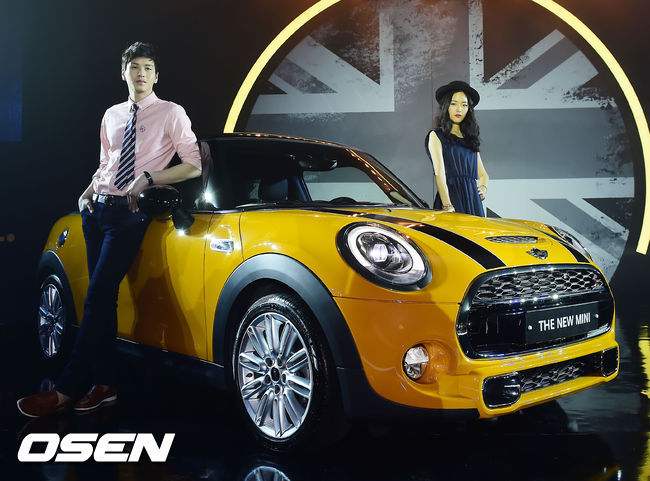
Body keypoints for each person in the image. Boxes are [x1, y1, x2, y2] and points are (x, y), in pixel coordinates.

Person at [17, 42, 202, 417]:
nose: (141, 74)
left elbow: (193, 165)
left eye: (147, 68)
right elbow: (107, 163)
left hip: (130, 215)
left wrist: (149, 178)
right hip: (96, 212)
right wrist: (87, 192)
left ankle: (65, 389)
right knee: (104, 302)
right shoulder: (112, 115)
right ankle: (105, 385)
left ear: (156, 76)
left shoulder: (171, 112)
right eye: (134, 67)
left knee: (97, 298)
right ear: (123, 73)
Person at [425, 80, 489, 216]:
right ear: (445, 106)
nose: (459, 109)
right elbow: (439, 172)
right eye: (454, 103)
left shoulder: (470, 139)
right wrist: (447, 204)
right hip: (451, 197)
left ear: (468, 109)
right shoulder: (436, 136)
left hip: (473, 200)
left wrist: (483, 187)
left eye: (464, 105)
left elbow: (483, 174)